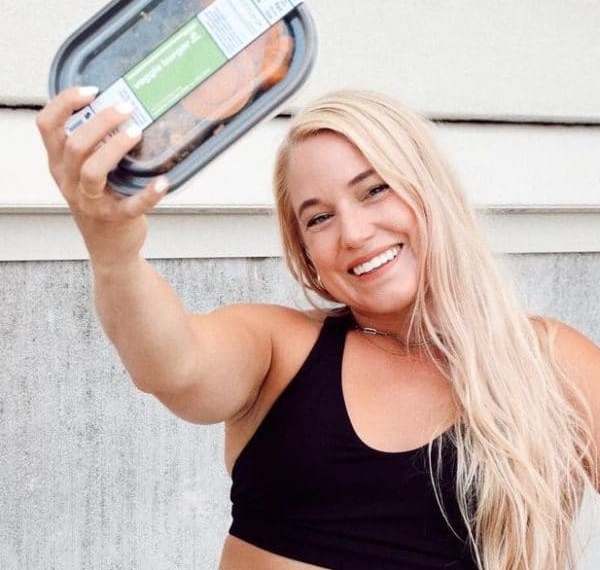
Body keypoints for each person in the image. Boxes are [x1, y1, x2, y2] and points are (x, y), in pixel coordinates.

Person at [36, 87, 600, 570]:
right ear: (306, 256)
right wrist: (113, 246)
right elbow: (172, 365)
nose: (353, 232)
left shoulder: (550, 363)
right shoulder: (281, 349)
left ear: (432, 192)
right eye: (319, 217)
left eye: (375, 189)